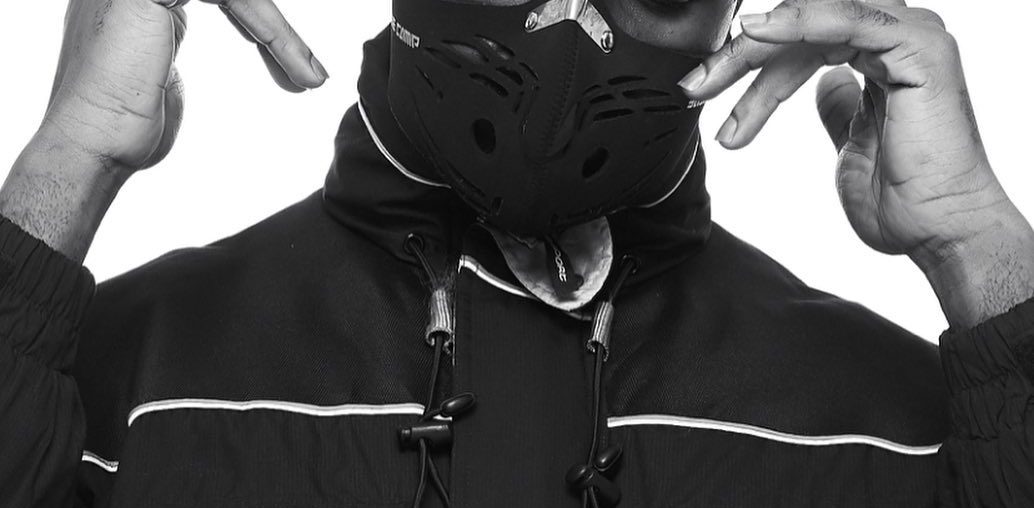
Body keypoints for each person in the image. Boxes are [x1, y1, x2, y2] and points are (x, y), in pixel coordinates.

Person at [1, 0, 1032, 506]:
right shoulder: (123, 381)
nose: (567, 21)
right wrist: (71, 156)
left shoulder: (904, 432)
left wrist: (975, 243)